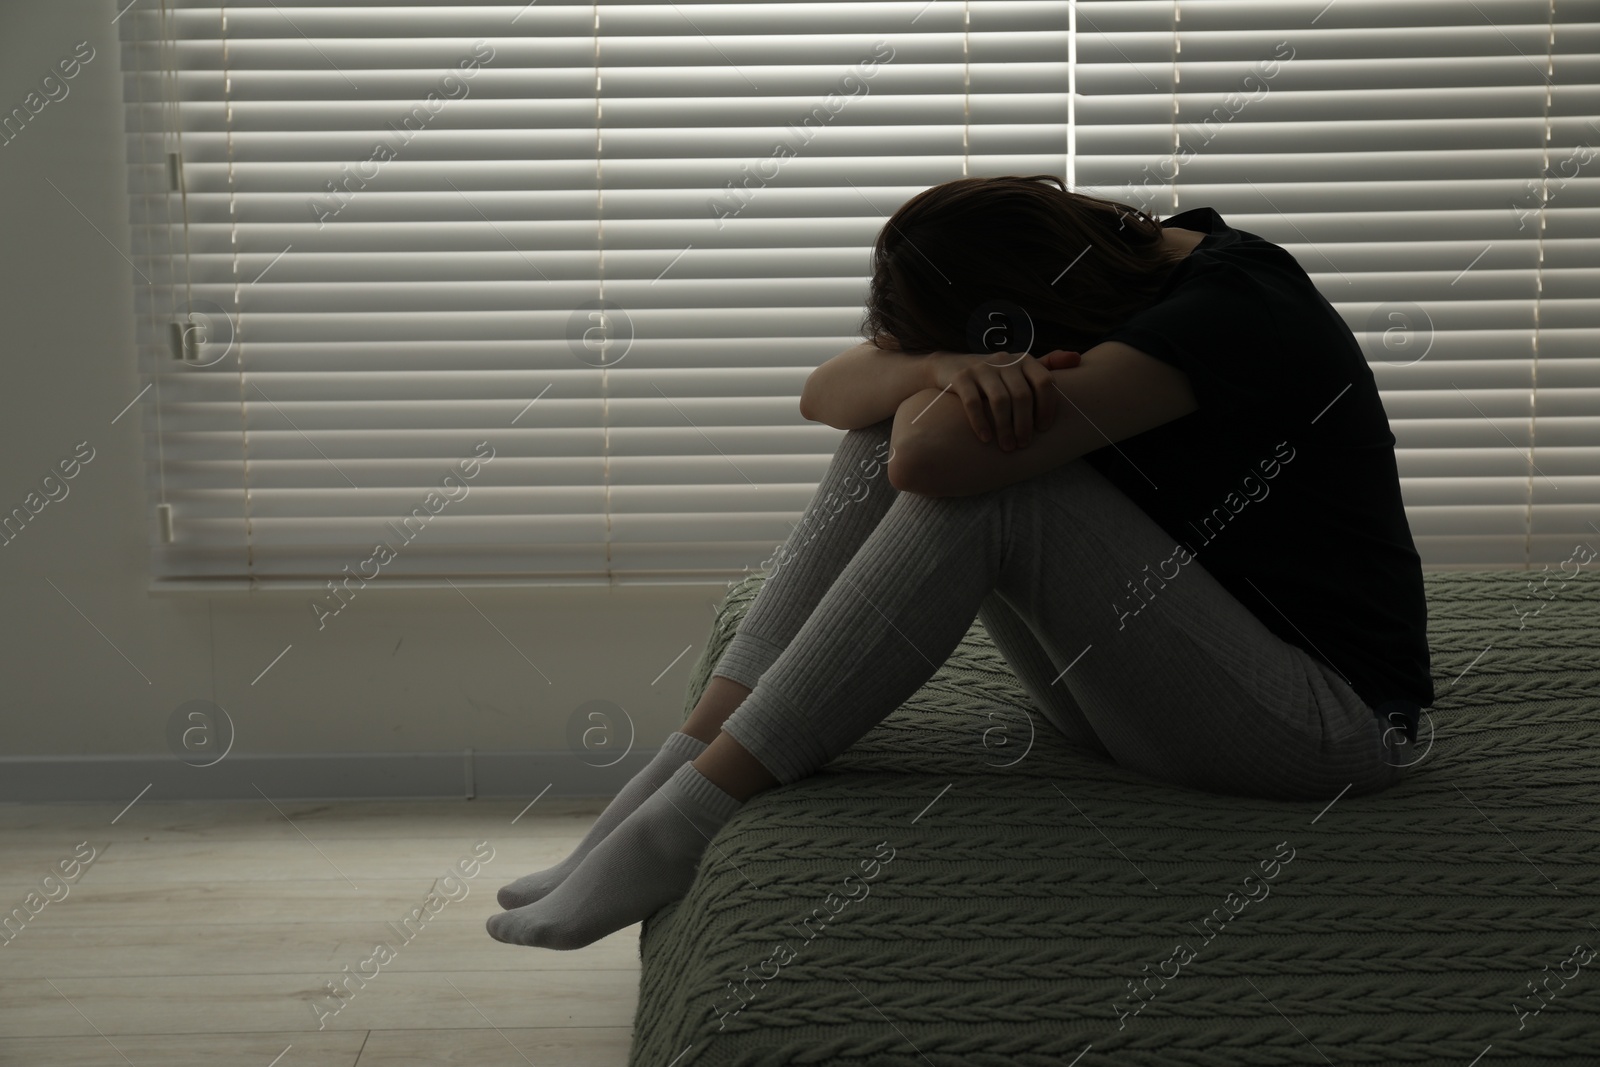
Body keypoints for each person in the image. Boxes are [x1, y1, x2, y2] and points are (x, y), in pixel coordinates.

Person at [486, 174, 1434, 951]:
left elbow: (929, 462)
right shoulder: (1120, 263)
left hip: (1329, 726)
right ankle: (678, 765)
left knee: (997, 483)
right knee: (883, 434)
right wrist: (938, 368)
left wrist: (939, 388)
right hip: (1183, 688)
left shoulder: (1230, 312)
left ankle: (684, 822)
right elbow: (827, 392)